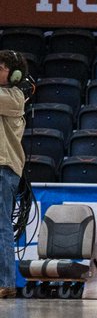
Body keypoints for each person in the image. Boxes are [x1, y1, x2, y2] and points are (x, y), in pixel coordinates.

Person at [0, 51, 27, 299]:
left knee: (1, 226)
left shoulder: (14, 97)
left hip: (3, 168)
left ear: (15, 75)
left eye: (1, 68)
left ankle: (6, 281)